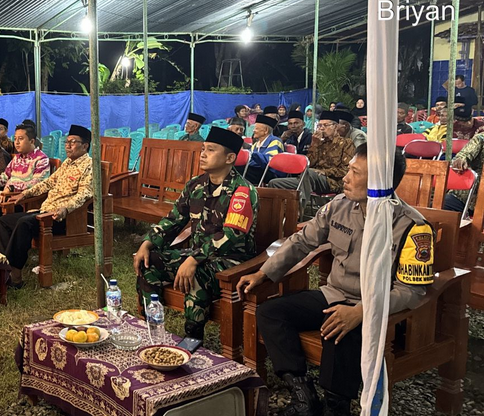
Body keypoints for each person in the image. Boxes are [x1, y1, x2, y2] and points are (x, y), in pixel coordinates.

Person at [238, 146, 433, 416]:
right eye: (350, 169)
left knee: (340, 330)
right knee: (273, 312)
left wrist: (360, 311)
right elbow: (303, 242)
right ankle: (305, 404)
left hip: (373, 310)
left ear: (379, 182)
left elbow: (413, 291)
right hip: (332, 295)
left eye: (355, 173)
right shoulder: (339, 206)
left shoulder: (412, 226)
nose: (345, 177)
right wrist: (263, 274)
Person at [134, 127, 259, 339]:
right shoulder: (196, 185)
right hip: (198, 255)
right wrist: (147, 243)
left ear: (230, 157)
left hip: (232, 262)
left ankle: (193, 338)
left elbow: (231, 236)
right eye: (203, 149)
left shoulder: (242, 191)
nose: (203, 154)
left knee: (197, 274)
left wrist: (193, 259)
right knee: (149, 261)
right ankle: (153, 329)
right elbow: (174, 220)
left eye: (211, 150)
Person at [0, 125, 94, 288]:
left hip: (63, 218)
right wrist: (25, 194)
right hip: (45, 211)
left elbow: (84, 194)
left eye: (73, 142)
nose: (68, 146)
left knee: (24, 224)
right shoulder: (68, 163)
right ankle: (3, 267)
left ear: (85, 146)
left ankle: (16, 276)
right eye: (67, 142)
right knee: (4, 221)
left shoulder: (89, 166)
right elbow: (48, 182)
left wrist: (65, 208)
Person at [269, 111, 355, 206]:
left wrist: (325, 172)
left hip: (331, 181)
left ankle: (298, 209)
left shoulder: (346, 143)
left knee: (310, 173)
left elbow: (347, 170)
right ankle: (275, 214)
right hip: (309, 179)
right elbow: (308, 163)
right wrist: (314, 144)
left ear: (335, 126)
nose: (322, 128)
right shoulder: (318, 142)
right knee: (274, 183)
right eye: (319, 125)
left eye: (325, 125)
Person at [447, 130, 484, 214]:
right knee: (438, 210)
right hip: (465, 197)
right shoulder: (481, 138)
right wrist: (461, 159)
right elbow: (465, 153)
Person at [245, 114, 284, 185]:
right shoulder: (256, 144)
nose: (254, 131)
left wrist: (253, 155)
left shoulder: (275, 141)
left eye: (256, 128)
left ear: (266, 130)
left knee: (244, 171)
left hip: (271, 173)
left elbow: (269, 161)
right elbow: (249, 161)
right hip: (257, 171)